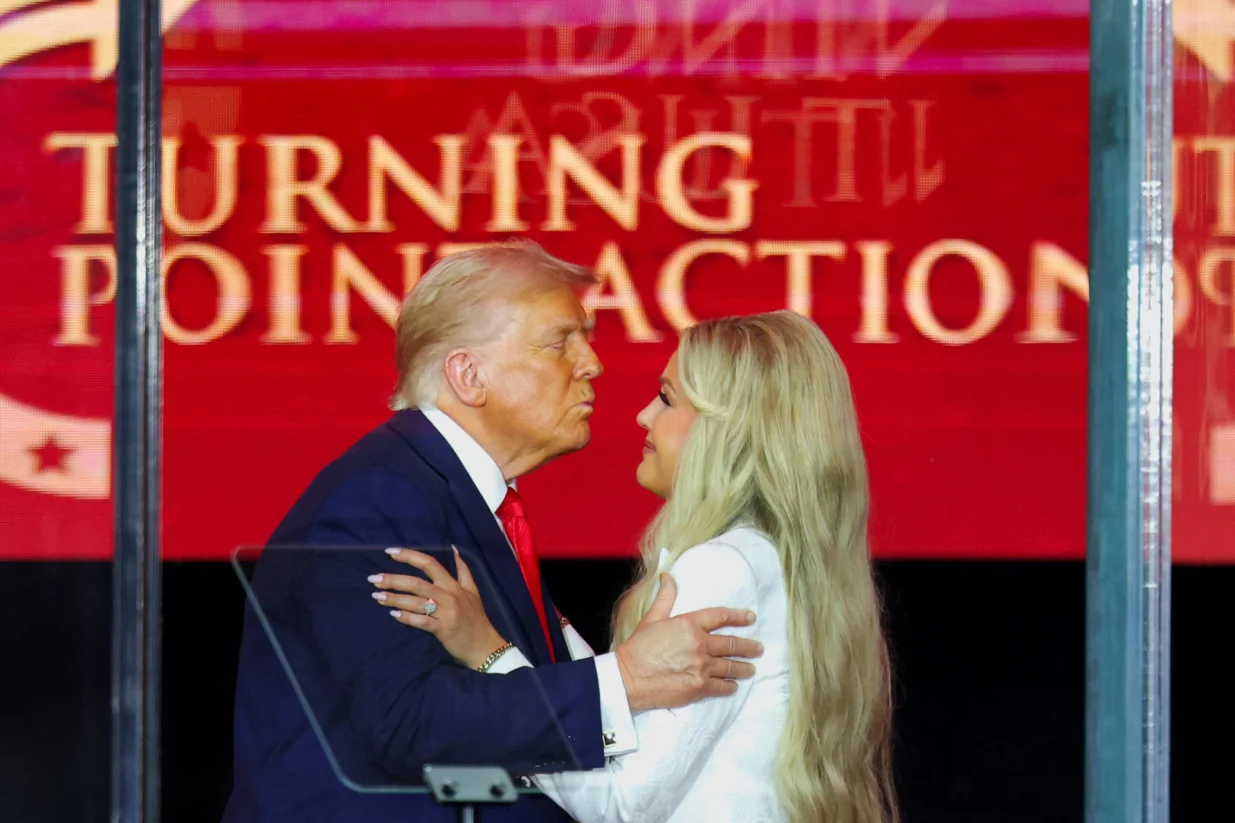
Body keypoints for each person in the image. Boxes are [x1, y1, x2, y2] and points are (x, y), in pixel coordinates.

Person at [223, 242, 765, 823]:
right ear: (468, 374)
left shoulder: (461, 496)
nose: (592, 363)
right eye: (561, 341)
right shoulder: (378, 497)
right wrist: (624, 678)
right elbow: (410, 724)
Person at [374, 311, 899, 823]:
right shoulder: (770, 558)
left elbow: (621, 804)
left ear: (730, 429)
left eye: (667, 398)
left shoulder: (724, 568)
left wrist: (489, 653)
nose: (643, 416)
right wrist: (542, 620)